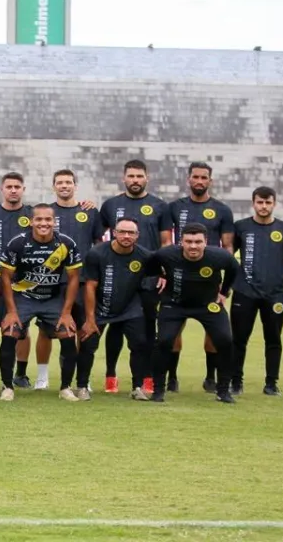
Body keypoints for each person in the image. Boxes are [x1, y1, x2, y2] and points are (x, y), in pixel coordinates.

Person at [0, 204, 83, 402]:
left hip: (52, 298)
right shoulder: (18, 243)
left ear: (54, 222)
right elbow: (5, 278)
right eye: (39, 219)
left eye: (48, 219)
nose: (43, 223)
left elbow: (73, 279)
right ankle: (7, 386)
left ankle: (65, 388)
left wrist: (66, 313)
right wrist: (11, 311)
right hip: (23, 297)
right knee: (10, 332)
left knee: (68, 334)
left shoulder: (66, 243)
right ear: (31, 222)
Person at [160, 161, 235, 394]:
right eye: (196, 177)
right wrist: (164, 272)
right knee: (173, 330)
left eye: (204, 178)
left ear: (210, 181)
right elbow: (166, 242)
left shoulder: (222, 210)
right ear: (188, 179)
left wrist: (223, 283)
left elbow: (228, 247)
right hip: (178, 276)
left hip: (209, 278)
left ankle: (211, 377)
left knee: (215, 330)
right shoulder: (174, 207)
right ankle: (172, 378)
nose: (199, 181)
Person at [146, 223, 240, 403]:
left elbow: (233, 269)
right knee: (164, 341)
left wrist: (223, 292)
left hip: (208, 304)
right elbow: (151, 264)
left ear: (206, 242)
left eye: (198, 242)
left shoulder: (219, 256)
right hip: (174, 304)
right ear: (181, 242)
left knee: (225, 340)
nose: (193, 246)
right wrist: (162, 276)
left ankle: (223, 391)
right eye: (188, 241)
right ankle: (158, 391)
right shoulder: (166, 254)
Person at [99, 159, 168, 394]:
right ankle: (111, 375)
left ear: (147, 178)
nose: (135, 180)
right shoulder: (110, 205)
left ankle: (145, 376)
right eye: (131, 176)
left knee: (147, 329)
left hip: (148, 279)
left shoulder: (159, 206)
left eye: (139, 176)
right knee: (115, 327)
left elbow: (166, 242)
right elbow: (99, 238)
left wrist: (163, 271)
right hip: (118, 278)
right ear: (124, 178)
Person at [230, 187, 283, 396]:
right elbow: (230, 253)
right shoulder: (241, 227)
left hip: (274, 294)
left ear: (274, 203)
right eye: (260, 202)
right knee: (239, 339)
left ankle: (271, 384)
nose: (264, 206)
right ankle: (236, 382)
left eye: (268, 202)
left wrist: (275, 272)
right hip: (245, 292)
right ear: (253, 203)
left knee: (274, 339)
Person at [79, 218, 153, 400]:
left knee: (139, 344)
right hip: (100, 307)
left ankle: (137, 387)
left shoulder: (144, 256)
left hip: (129, 307)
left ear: (137, 235)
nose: (126, 236)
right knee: (88, 344)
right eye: (122, 232)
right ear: (114, 233)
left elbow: (163, 269)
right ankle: (82, 386)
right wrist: (90, 319)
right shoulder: (96, 253)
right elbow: (90, 286)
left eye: (131, 233)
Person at [0, 172, 44, 391]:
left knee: (20, 330)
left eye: (17, 187)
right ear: (2, 189)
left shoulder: (31, 214)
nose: (13, 190)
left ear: (23, 189)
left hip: (21, 282)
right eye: (9, 186)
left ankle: (20, 373)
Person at [49, 169, 104, 391]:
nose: (64, 186)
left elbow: (99, 244)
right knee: (61, 333)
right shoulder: (46, 212)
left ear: (75, 185)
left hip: (82, 281)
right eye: (60, 182)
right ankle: (59, 378)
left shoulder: (89, 211)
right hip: (54, 281)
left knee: (84, 331)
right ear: (54, 186)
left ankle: (83, 378)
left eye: (68, 182)